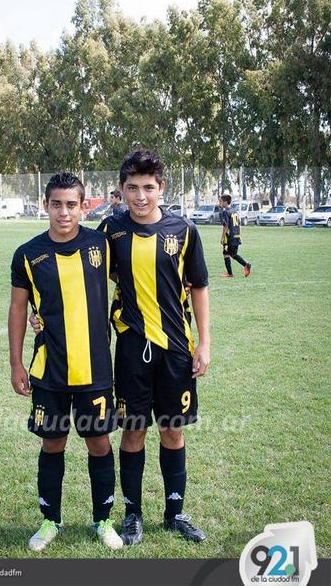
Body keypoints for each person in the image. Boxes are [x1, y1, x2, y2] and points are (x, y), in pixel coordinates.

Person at [99, 148, 210, 545]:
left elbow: (199, 286)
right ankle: (133, 515)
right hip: (132, 349)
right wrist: (40, 315)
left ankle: (175, 512)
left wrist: (205, 343)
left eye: (148, 187)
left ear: (161, 187)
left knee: (172, 431)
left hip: (176, 349)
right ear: (121, 189)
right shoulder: (110, 231)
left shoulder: (184, 231)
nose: (141, 196)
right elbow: (87, 275)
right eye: (133, 188)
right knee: (133, 431)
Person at [9, 171, 123, 552]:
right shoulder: (28, 254)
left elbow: (134, 275)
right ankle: (50, 521)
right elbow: (18, 308)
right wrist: (16, 364)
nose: (63, 212)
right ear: (45, 205)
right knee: (52, 443)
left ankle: (103, 520)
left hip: (95, 369)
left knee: (99, 443)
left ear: (83, 206)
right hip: (50, 370)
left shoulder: (100, 243)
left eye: (71, 204)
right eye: (56, 204)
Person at [218, 195, 251, 278]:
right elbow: (238, 224)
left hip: (229, 237)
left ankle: (245, 265)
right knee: (229, 254)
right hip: (236, 235)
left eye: (221, 201)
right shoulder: (234, 211)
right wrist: (239, 235)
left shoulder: (225, 212)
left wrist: (222, 237)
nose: (220, 203)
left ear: (225, 202)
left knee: (230, 254)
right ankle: (230, 273)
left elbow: (226, 226)